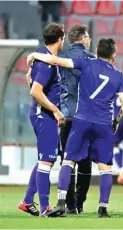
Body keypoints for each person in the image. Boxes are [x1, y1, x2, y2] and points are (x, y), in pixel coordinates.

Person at [26, 38, 123, 218]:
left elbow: (56, 60)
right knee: (105, 167)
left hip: (81, 120)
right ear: (114, 55)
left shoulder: (85, 63)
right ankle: (102, 209)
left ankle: (60, 203)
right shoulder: (119, 76)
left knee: (68, 161)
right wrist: (116, 121)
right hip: (104, 124)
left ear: (97, 51)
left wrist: (36, 54)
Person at [18, 23, 65, 217]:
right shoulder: (46, 63)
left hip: (41, 113)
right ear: (60, 39)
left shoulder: (44, 57)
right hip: (44, 115)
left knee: (44, 160)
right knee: (46, 161)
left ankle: (28, 201)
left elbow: (29, 78)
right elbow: (35, 90)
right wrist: (55, 110)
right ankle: (45, 207)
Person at [58, 24, 95, 214]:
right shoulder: (92, 59)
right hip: (87, 117)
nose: (89, 41)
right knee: (86, 161)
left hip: (66, 116)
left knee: (67, 160)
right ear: (83, 39)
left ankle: (70, 205)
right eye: (88, 37)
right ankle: (80, 202)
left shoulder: (61, 58)